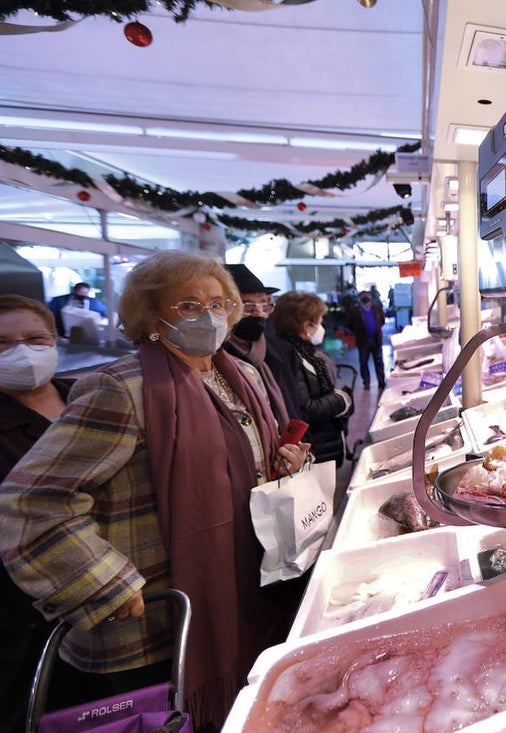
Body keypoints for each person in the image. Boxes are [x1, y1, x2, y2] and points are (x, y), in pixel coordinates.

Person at [0, 251, 310, 730]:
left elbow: (243, 466)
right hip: (155, 618)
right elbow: (32, 501)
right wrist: (105, 582)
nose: (207, 315)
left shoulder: (239, 375)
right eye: (186, 305)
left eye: (216, 302)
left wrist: (285, 462)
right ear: (150, 316)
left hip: (245, 588)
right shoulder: (121, 389)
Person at [0, 295, 72, 733]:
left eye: (33, 338)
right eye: (2, 343)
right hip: (23, 601)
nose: (21, 351)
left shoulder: (85, 395)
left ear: (54, 340)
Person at [269, 292, 354, 466]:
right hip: (314, 447)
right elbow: (304, 408)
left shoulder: (307, 353)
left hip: (323, 442)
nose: (322, 328)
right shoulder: (290, 357)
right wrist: (342, 399)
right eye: (320, 323)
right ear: (307, 326)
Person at [223, 264, 294, 428]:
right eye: (248, 307)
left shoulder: (282, 350)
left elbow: (294, 403)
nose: (259, 313)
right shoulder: (217, 357)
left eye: (264, 306)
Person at [345, 289, 387, 391]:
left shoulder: (376, 309)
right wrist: (358, 332)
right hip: (363, 341)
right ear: (361, 301)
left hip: (376, 340)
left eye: (368, 300)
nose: (367, 303)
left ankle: (381, 382)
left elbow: (382, 321)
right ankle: (366, 383)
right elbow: (349, 324)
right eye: (365, 301)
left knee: (379, 362)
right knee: (363, 363)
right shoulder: (355, 312)